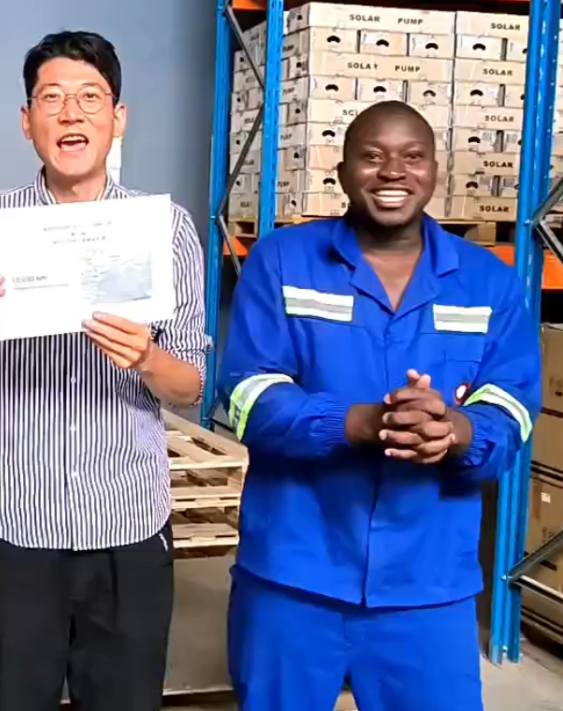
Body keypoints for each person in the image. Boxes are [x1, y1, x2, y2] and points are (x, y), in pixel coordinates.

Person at [0, 30, 209, 711]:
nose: (71, 114)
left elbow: (191, 386)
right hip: (16, 530)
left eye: (90, 98)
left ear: (119, 117)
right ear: (27, 121)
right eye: (51, 99)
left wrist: (147, 358)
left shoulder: (165, 230)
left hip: (129, 528)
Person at [218, 100, 542, 711]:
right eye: (372, 156)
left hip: (429, 585)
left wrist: (457, 431)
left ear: (435, 172)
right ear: (341, 173)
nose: (393, 171)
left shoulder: (488, 281)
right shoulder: (283, 260)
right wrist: (358, 423)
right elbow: (246, 391)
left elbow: (513, 403)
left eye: (412, 157)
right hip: (295, 574)